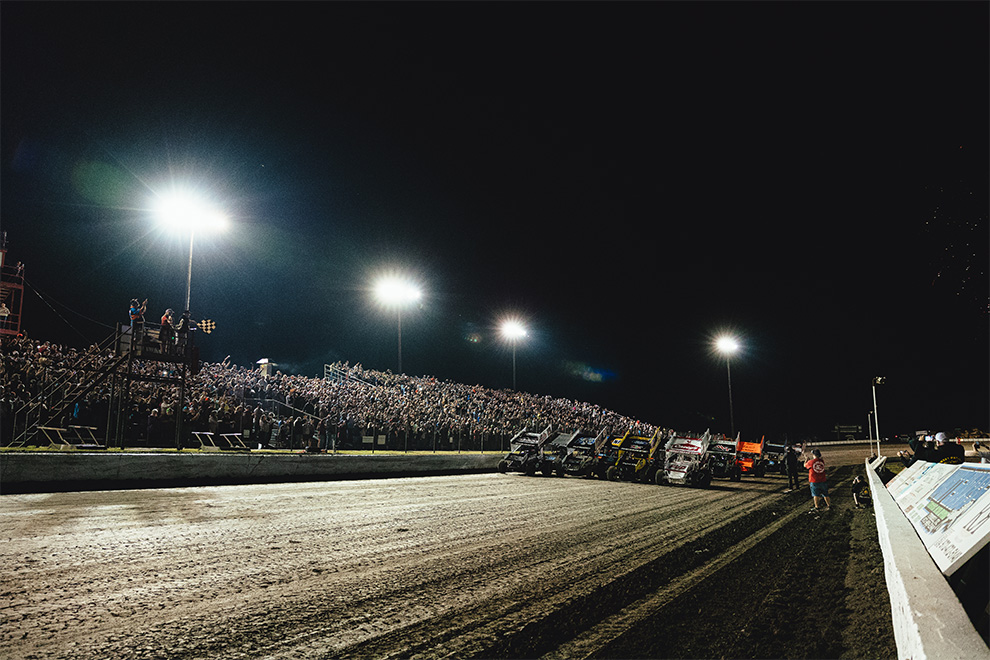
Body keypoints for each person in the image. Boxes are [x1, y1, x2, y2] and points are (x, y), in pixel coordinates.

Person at [804, 448, 831, 513]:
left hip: (814, 481)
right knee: (825, 494)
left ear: (814, 455)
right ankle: (829, 505)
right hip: (823, 480)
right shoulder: (822, 461)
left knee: (815, 495)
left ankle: (817, 507)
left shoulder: (811, 462)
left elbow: (805, 465)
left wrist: (806, 460)